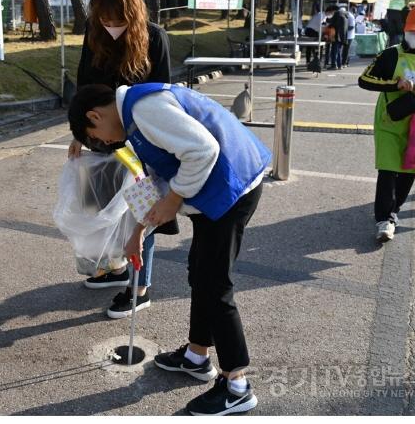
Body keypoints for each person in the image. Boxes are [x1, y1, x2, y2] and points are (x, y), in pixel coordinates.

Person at [68, 82, 270, 415]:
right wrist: (138, 231)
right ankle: (196, 356)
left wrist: (174, 199)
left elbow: (202, 151)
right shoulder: (133, 119)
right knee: (200, 274)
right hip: (213, 189)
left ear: (95, 115)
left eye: (97, 136)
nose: (104, 143)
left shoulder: (145, 109)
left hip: (232, 188)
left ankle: (237, 385)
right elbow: (158, 177)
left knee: (215, 284)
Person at [68, 0, 176, 319]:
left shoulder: (154, 38)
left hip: (140, 143)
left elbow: (163, 97)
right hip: (100, 136)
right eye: (105, 19)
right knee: (96, 205)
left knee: (140, 211)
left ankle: (138, 287)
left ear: (133, 13)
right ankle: (112, 268)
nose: (111, 25)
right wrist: (79, 132)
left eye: (118, 20)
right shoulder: (94, 33)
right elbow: (85, 84)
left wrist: (152, 146)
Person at [358, 4, 415, 242]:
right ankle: (384, 219)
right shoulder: (390, 53)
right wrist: (394, 84)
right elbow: (364, 80)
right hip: (389, 121)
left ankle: (394, 210)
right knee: (388, 169)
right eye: (411, 30)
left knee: (407, 169)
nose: (414, 35)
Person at [325, 4, 348, 70]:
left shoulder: (337, 14)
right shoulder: (345, 14)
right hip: (343, 36)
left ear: (333, 10)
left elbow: (332, 23)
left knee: (334, 51)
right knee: (339, 51)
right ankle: (339, 65)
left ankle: (334, 65)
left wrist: (327, 21)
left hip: (337, 36)